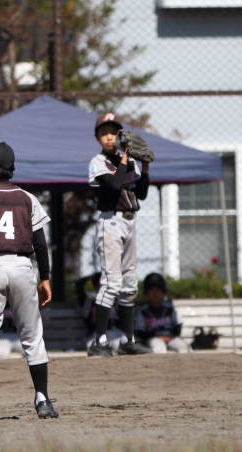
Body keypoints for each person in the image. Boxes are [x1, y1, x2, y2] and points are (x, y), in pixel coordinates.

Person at [0, 140, 58, 420]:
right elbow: (40, 243)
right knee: (32, 335)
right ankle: (43, 400)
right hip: (22, 266)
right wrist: (45, 278)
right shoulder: (28, 198)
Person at [87, 113, 151, 357]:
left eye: (113, 132)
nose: (109, 137)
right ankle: (100, 342)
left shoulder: (130, 162)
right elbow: (114, 186)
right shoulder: (98, 162)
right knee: (111, 282)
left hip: (130, 221)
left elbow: (141, 193)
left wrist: (145, 167)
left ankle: (128, 340)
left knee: (130, 282)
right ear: (97, 138)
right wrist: (126, 158)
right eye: (103, 133)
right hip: (110, 222)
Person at [80, 273, 152, 354]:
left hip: (116, 333)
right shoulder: (91, 304)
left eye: (105, 284)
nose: (103, 287)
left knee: (122, 347)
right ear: (95, 286)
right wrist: (90, 277)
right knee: (91, 347)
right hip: (97, 335)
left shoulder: (117, 301)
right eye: (99, 284)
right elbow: (79, 285)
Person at [135, 272, 191, 354]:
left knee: (183, 347)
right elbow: (140, 333)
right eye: (151, 290)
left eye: (158, 290)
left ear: (163, 291)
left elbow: (177, 326)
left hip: (170, 337)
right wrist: (157, 336)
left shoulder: (169, 309)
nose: (155, 293)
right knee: (159, 348)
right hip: (152, 339)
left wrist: (171, 336)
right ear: (146, 292)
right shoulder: (143, 311)